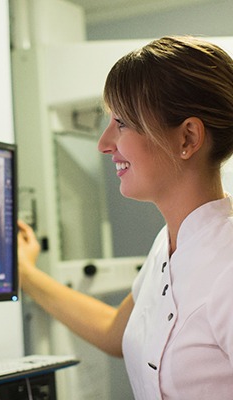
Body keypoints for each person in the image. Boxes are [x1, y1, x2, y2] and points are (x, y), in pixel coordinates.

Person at [17, 35, 233, 400]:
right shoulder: (167, 246)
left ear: (188, 137)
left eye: (122, 123)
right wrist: (26, 274)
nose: (103, 143)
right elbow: (114, 332)